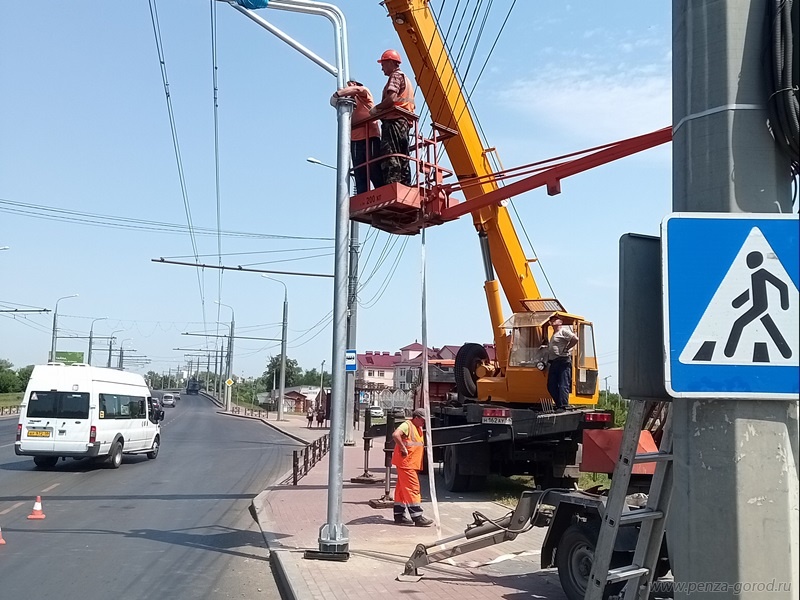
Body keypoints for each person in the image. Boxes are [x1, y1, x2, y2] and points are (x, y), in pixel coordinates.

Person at [370, 49, 416, 186]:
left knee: (390, 153)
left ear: (390, 62)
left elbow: (391, 99)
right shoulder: (406, 79)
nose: (382, 68)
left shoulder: (395, 76)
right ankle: (405, 184)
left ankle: (392, 185)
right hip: (404, 121)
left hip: (394, 120)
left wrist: (377, 109)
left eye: (383, 64)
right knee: (402, 155)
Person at [331, 80, 383, 194]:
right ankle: (363, 196)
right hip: (355, 140)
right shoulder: (347, 103)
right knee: (360, 172)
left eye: (350, 86)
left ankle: (381, 192)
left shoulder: (363, 93)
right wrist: (336, 100)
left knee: (374, 169)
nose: (347, 89)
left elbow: (359, 90)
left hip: (370, 136)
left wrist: (337, 94)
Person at [391, 408, 434, 527]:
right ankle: (417, 517)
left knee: (401, 490)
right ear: (416, 418)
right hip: (407, 464)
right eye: (423, 420)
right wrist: (403, 448)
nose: (424, 423)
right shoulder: (407, 425)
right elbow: (395, 434)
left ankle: (399, 516)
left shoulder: (417, 427)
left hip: (409, 463)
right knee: (413, 489)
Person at [546, 316, 579, 412]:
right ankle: (559, 404)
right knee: (551, 385)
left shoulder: (563, 331)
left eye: (554, 320)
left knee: (563, 384)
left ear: (560, 322)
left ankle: (563, 405)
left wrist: (567, 348)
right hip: (554, 361)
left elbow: (575, 339)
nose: (552, 321)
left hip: (563, 361)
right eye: (551, 320)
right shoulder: (554, 333)